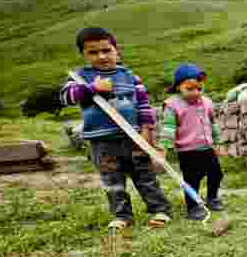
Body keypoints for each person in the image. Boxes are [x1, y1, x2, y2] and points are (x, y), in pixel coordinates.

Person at [60, 27, 172, 230]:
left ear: (116, 50)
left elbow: (144, 107)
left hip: (133, 138)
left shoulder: (131, 77)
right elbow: (66, 98)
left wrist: (146, 131)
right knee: (112, 181)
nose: (101, 56)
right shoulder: (78, 78)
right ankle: (122, 216)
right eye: (93, 52)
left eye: (106, 50)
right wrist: (93, 88)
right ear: (83, 55)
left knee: (145, 176)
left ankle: (160, 210)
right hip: (101, 142)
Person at [159, 63, 226, 220]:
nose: (195, 93)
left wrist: (218, 144)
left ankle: (212, 198)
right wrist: (164, 148)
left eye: (199, 88)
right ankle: (193, 207)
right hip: (188, 152)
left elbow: (213, 123)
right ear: (178, 87)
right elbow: (168, 129)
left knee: (216, 174)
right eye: (189, 89)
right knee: (192, 180)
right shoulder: (172, 105)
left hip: (207, 148)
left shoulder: (207, 102)